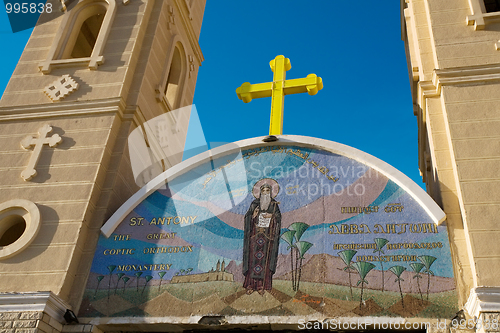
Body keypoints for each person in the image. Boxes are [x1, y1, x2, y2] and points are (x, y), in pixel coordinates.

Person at [243, 181, 281, 295]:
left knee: (265, 262)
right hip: (254, 237)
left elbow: (279, 219)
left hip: (268, 239)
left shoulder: (274, 205)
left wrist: (272, 216)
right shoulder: (255, 203)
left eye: (267, 191)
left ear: (270, 193)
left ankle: (261, 286)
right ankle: (250, 285)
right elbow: (247, 217)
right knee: (252, 261)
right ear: (260, 192)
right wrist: (253, 216)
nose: (265, 193)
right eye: (263, 191)